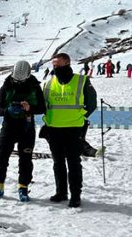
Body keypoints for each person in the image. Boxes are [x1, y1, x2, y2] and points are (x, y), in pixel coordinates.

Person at [42, 52, 97, 208]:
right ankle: (61, 192)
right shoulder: (48, 83)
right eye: (53, 65)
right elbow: (43, 104)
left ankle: (75, 196)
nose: (55, 67)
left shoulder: (82, 81)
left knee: (73, 163)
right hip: (53, 130)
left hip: (74, 129)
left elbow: (91, 104)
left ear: (67, 63)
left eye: (58, 64)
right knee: (58, 163)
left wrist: (80, 116)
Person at [0, 60, 46, 202]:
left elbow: (42, 108)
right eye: (16, 80)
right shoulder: (6, 86)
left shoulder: (35, 87)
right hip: (8, 126)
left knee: (25, 158)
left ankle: (23, 187)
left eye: (22, 81)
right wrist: (7, 110)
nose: (18, 82)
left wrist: (29, 109)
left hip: (27, 126)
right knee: (1, 156)